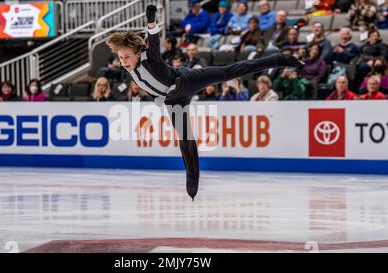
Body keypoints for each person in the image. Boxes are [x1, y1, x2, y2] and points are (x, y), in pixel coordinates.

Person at [105, 5, 304, 200]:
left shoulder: (150, 57)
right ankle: (192, 180)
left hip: (187, 80)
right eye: (121, 58)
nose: (123, 61)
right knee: (185, 138)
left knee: (231, 71)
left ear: (138, 53)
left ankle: (281, 59)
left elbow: (154, 39)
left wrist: (151, 21)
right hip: (174, 100)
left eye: (127, 57)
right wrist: (158, 98)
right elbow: (150, 86)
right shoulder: (130, 69)